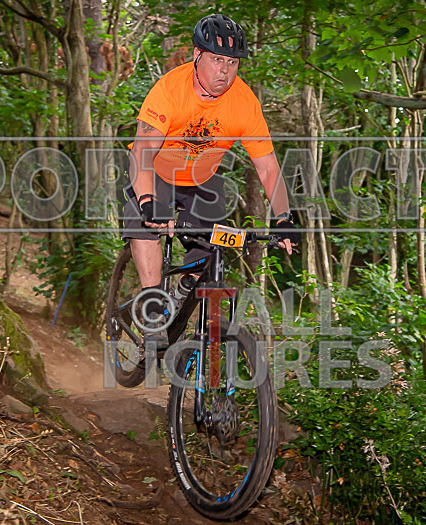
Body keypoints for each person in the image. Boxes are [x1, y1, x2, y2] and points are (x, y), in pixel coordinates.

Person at [123, 13, 300, 346]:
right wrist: (147, 202)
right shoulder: (170, 90)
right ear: (196, 55)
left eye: (233, 62)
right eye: (217, 59)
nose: (225, 70)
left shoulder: (244, 103)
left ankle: (182, 290)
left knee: (213, 247)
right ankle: (151, 306)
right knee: (144, 223)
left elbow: (267, 166)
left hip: (202, 179)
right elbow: (143, 151)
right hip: (156, 171)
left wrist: (282, 217)